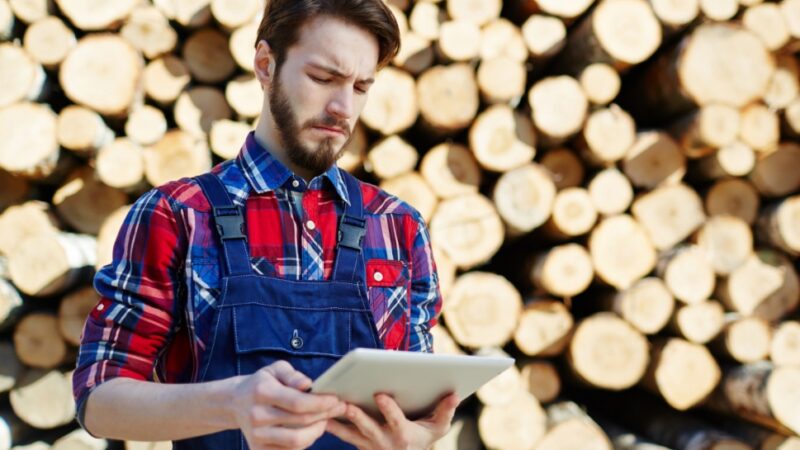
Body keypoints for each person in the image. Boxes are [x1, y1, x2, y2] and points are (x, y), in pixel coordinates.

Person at [72, 1, 459, 448]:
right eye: (323, 78)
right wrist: (232, 402)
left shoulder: (397, 227)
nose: (342, 107)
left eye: (361, 87)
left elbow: (411, 408)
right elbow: (98, 398)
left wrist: (420, 436)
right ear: (265, 64)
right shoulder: (176, 214)